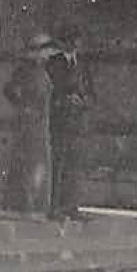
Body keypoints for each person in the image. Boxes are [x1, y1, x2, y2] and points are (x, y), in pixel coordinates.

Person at [44, 27, 94, 222]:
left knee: (75, 166)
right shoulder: (53, 63)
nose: (77, 46)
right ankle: (54, 206)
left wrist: (84, 102)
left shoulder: (82, 64)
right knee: (58, 165)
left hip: (78, 123)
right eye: (73, 41)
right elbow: (50, 92)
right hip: (59, 121)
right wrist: (64, 100)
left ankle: (72, 206)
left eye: (79, 42)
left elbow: (91, 91)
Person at [3, 34, 56, 215]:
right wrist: (23, 106)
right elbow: (9, 89)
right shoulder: (25, 71)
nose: (47, 55)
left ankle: (33, 203)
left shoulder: (42, 71)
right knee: (28, 162)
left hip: (40, 123)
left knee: (36, 162)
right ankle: (24, 203)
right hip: (29, 123)